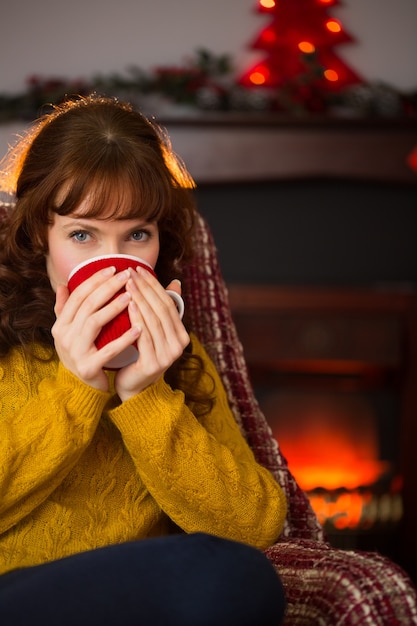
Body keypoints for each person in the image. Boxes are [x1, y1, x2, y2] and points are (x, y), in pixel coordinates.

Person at [0, 95, 287, 625]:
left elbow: (254, 527)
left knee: (240, 579)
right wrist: (76, 389)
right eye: (82, 234)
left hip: (154, 594)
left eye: (137, 234)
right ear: (41, 231)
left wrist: (145, 394)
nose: (115, 263)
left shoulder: (177, 351)